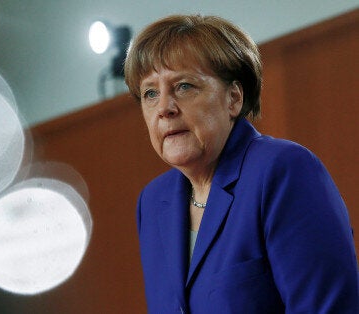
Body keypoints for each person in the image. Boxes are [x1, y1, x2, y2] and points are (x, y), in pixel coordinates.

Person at [124, 14, 358, 313]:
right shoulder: (154, 202)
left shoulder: (282, 170)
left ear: (233, 98)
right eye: (150, 93)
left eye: (183, 86)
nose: (164, 109)